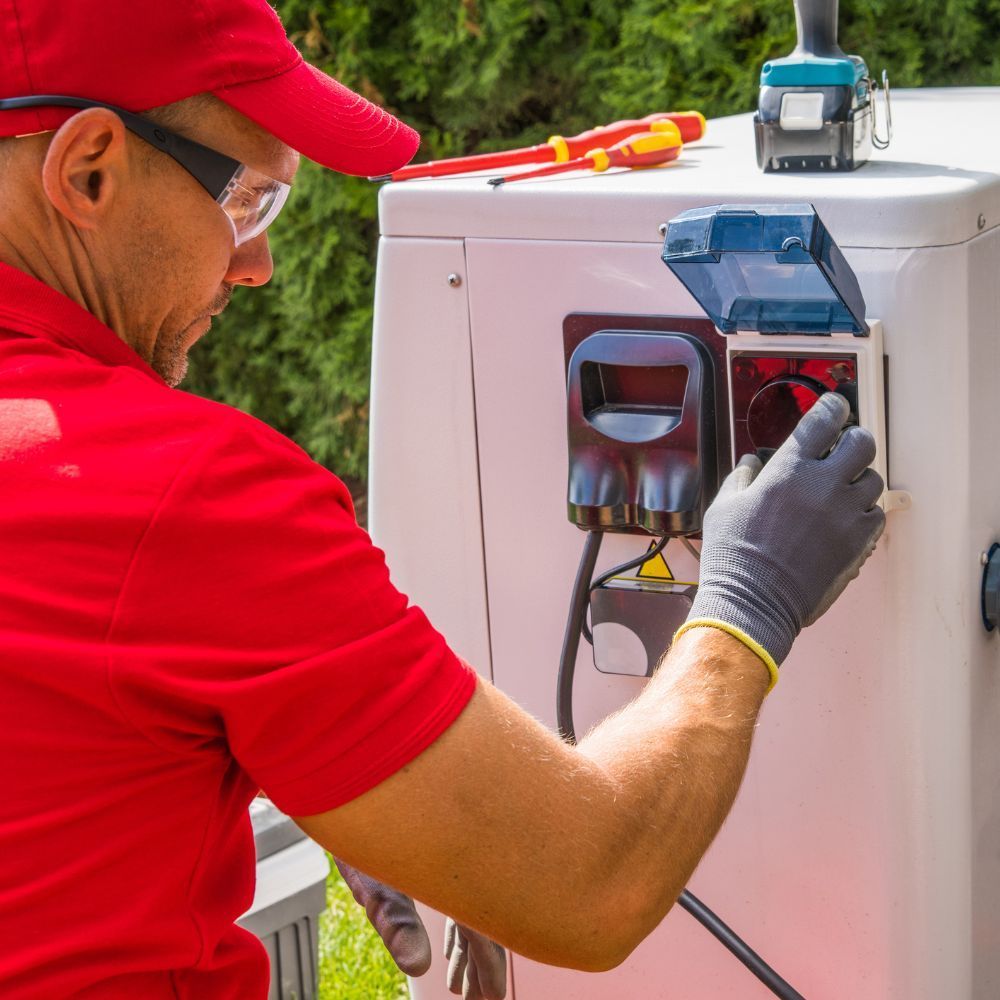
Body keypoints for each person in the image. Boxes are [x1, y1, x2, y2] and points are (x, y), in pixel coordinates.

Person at [0, 1, 885, 999]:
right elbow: (587, 880)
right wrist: (745, 605)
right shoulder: (181, 494)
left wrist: (324, 756)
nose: (256, 266)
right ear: (88, 171)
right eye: (246, 200)